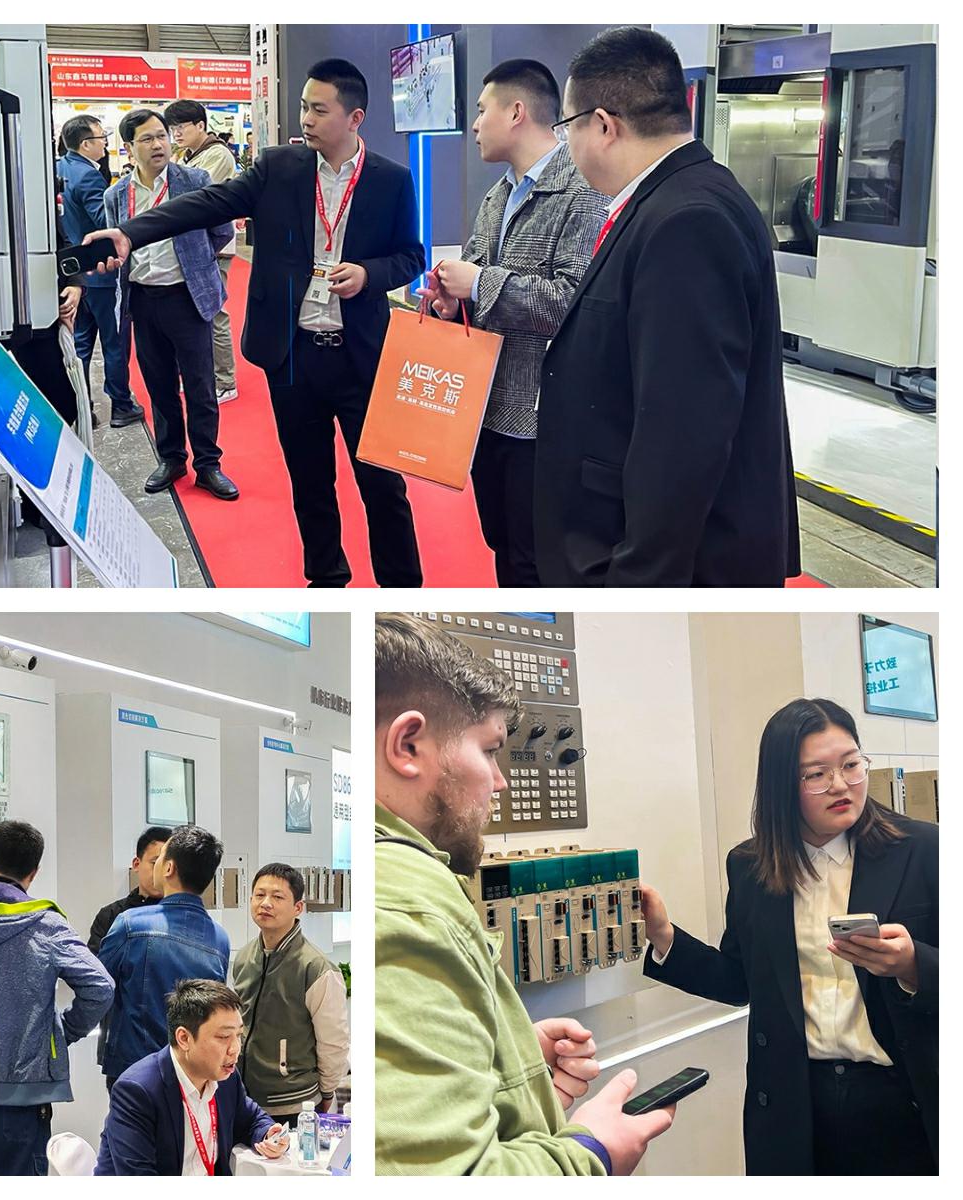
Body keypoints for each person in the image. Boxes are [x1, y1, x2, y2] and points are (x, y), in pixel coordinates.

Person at [86, 58, 426, 587]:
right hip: (293, 356)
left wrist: (369, 272)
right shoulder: (278, 168)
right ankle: (327, 580)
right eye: (303, 107)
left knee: (382, 485)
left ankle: (402, 589)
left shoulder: (392, 180)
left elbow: (411, 256)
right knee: (310, 479)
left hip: (362, 355)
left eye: (319, 109)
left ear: (354, 117)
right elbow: (205, 203)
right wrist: (133, 231)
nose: (306, 119)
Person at [374, 614, 675, 1174]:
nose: (501, 780)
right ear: (408, 745)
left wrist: (507, 1062)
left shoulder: (408, 884)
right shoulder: (409, 905)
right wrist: (591, 1152)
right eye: (489, 751)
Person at [534, 27, 801, 586]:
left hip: (666, 566)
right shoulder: (677, 197)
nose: (566, 147)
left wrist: (635, 585)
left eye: (566, 127)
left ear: (603, 125)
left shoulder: (686, 221)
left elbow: (685, 433)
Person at [641, 697, 937, 1175]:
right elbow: (741, 980)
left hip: (905, 1098)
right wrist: (663, 935)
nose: (841, 784)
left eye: (851, 765)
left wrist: (911, 965)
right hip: (796, 1101)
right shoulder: (752, 865)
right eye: (816, 774)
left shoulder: (923, 849)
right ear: (781, 785)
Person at [418, 59, 607, 587]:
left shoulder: (582, 192)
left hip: (543, 417)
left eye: (482, 111)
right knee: (503, 542)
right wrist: (451, 302)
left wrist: (478, 283)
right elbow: (479, 288)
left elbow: (574, 300)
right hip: (486, 406)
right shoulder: (497, 195)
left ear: (517, 112)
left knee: (536, 559)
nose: (474, 124)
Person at [0, 820, 114, 1176]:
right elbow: (101, 987)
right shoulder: (46, 923)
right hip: (22, 1098)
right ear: (34, 871)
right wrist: (60, 1032)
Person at [103, 110, 240, 501]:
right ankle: (171, 457)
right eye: (147, 138)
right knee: (159, 384)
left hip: (186, 297)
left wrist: (196, 267)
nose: (159, 144)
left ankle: (209, 464)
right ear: (128, 147)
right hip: (143, 299)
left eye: (162, 136)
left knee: (200, 385)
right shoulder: (117, 195)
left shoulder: (194, 181)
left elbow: (221, 230)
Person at [95, 980, 288, 1175]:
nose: (235, 1049)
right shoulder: (137, 1090)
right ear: (184, 1038)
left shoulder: (226, 1077)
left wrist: (268, 1133)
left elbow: (251, 1118)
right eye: (223, 1037)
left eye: (238, 1035)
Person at [99, 824, 232, 1086]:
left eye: (161, 858)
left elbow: (97, 987)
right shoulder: (220, 938)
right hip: (193, 1071)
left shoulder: (130, 924)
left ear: (169, 868)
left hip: (133, 1069)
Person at [233, 863, 350, 1124]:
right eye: (259, 895)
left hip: (294, 1104)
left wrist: (328, 1090)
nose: (266, 903)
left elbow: (333, 1040)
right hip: (244, 1097)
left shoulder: (316, 967)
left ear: (298, 907)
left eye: (277, 897)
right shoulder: (243, 958)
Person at [56, 115, 144, 429]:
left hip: (76, 274)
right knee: (114, 342)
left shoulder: (60, 168)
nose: (105, 144)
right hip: (102, 274)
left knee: (80, 343)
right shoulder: (89, 177)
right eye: (101, 138)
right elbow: (103, 222)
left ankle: (81, 407)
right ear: (86, 144)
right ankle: (121, 404)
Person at [166, 99, 240, 403]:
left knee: (215, 313)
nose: (177, 133)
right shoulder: (189, 155)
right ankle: (206, 375)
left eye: (182, 126)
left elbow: (194, 198)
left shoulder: (218, 155)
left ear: (201, 126)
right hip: (192, 247)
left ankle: (226, 380)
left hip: (214, 246)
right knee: (194, 314)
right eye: (172, 128)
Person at [88, 826, 173, 1071]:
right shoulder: (112, 916)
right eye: (155, 862)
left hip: (174, 1044)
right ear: (137, 863)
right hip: (122, 1044)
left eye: (169, 864)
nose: (162, 871)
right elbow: (95, 975)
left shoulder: (182, 918)